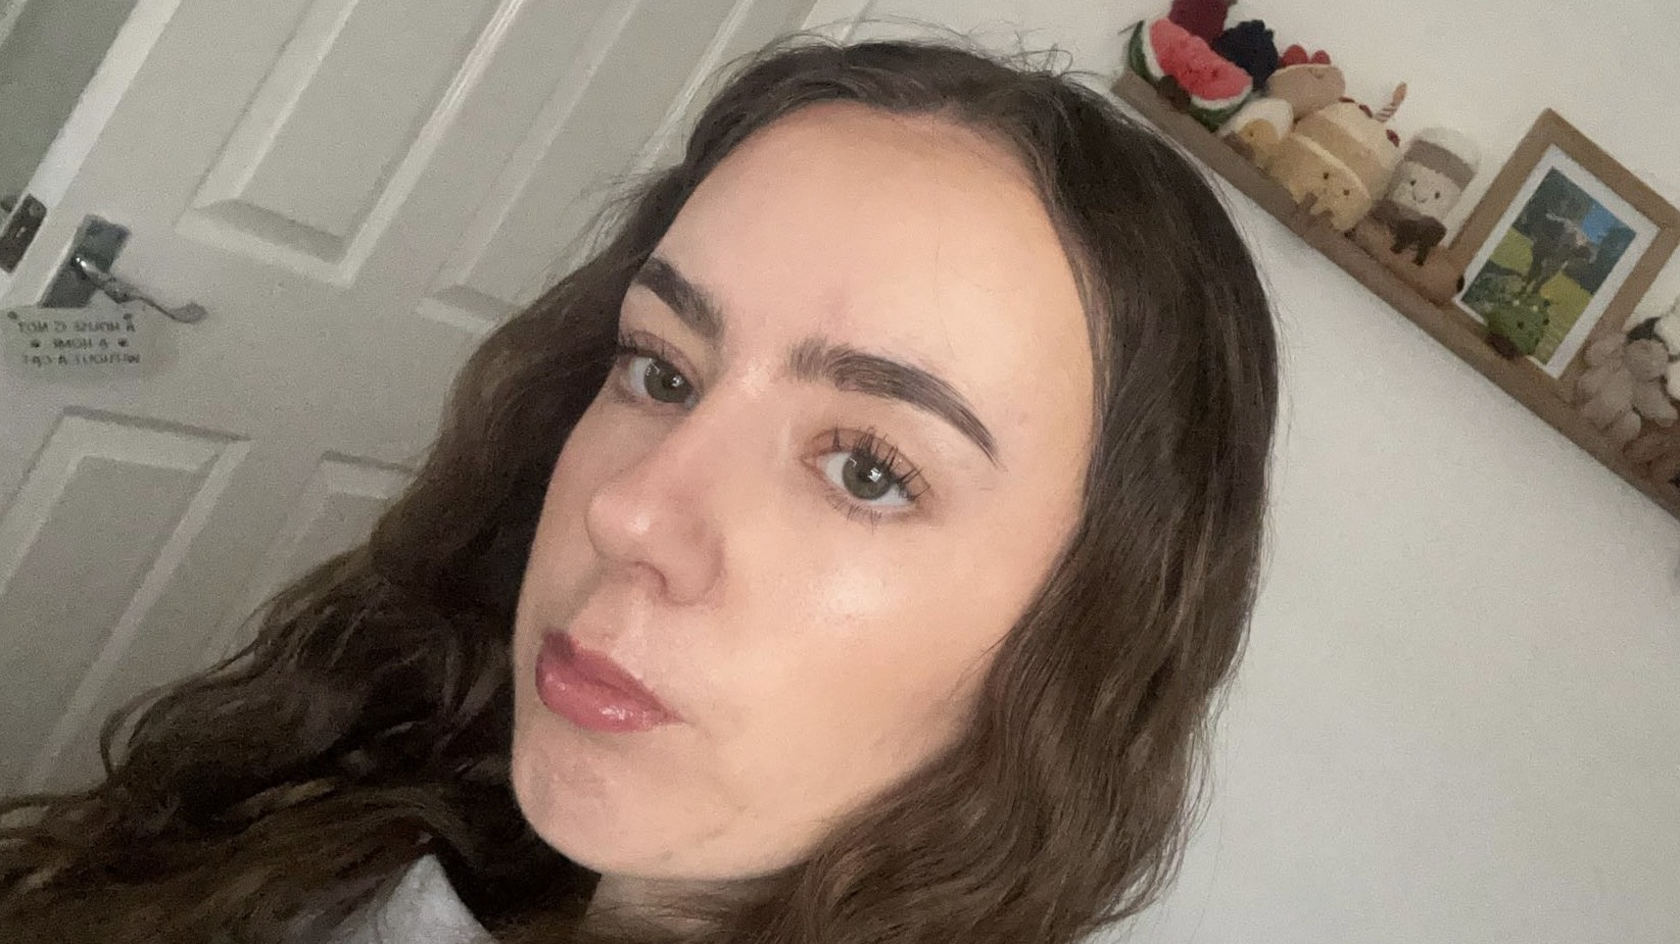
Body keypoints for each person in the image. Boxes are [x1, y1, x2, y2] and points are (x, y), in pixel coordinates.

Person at [0, 36, 1278, 944]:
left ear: (1093, 628)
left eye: (870, 469)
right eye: (661, 370)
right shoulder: (387, 801)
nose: (629, 513)